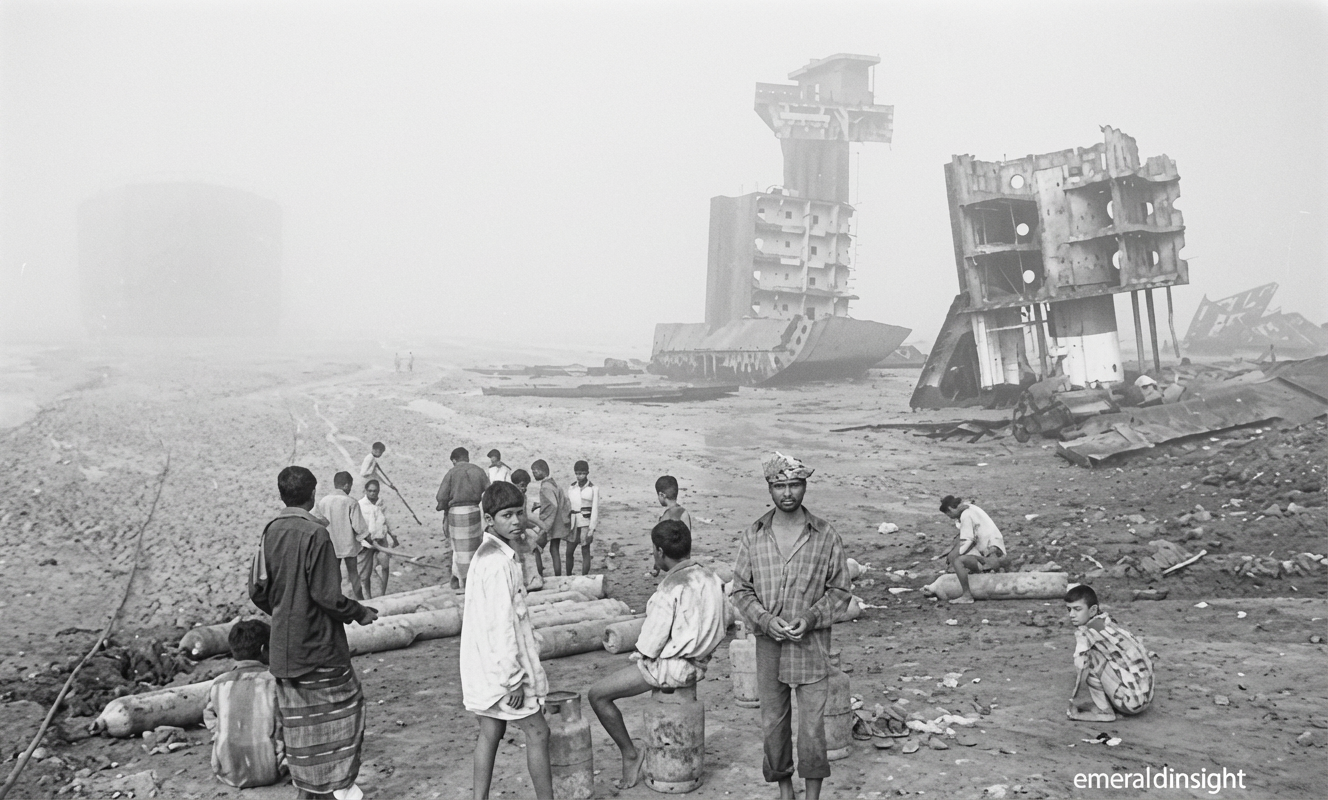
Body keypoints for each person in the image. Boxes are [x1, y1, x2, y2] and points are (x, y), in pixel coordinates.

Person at [249, 466, 378, 800]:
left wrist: (285, 613)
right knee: (347, 709)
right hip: (320, 647)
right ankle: (335, 784)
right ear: (311, 495)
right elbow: (328, 596)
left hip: (284, 650)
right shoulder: (315, 534)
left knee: (299, 724)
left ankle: (308, 789)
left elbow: (257, 591)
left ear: (282, 494)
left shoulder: (270, 532)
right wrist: (359, 612)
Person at [731, 452, 851, 800]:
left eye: (795, 485)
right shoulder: (754, 535)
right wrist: (766, 621)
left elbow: (841, 589)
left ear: (805, 486)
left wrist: (810, 618)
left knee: (813, 727)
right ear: (769, 487)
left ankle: (811, 796)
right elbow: (740, 589)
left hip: (810, 647)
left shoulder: (825, 535)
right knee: (774, 723)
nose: (787, 493)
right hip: (769, 646)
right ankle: (786, 791)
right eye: (779, 485)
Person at [588, 519, 725, 789]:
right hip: (700, 663)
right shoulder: (711, 578)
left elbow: (649, 647)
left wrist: (639, 654)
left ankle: (630, 753)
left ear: (659, 552)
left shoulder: (669, 588)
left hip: (670, 669)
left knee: (598, 695)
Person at [461, 481, 554, 800]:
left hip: (484, 664)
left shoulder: (492, 553)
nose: (516, 521)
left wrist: (529, 535)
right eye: (506, 516)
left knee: (490, 731)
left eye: (519, 513)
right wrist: (513, 679)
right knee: (539, 732)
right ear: (489, 520)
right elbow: (500, 626)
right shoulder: (498, 563)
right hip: (502, 670)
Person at [204, 620, 285, 789]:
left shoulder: (218, 684)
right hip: (271, 770)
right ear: (264, 650)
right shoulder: (275, 682)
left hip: (226, 772)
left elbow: (210, 718)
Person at [1065, 584, 1154, 722]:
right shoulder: (1107, 622)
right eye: (1069, 609)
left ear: (1093, 609)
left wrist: (1074, 702)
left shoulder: (1087, 633)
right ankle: (1117, 698)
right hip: (1146, 697)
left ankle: (1104, 712)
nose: (1071, 615)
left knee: (1089, 659)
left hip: (1130, 703)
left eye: (1077, 609)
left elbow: (1082, 667)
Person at [436, 447, 491, 589]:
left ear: (454, 460)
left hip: (456, 514)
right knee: (473, 547)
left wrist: (443, 506)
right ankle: (472, 577)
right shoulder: (478, 470)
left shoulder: (452, 472)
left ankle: (463, 580)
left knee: (459, 550)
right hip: (474, 511)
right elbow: (489, 490)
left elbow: (441, 496)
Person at [939, 495, 1008, 605]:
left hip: (991, 555)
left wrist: (954, 555)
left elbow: (967, 540)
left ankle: (967, 595)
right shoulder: (970, 508)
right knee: (964, 554)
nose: (950, 517)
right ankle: (986, 571)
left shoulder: (966, 516)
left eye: (949, 514)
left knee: (958, 561)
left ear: (950, 509)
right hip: (997, 550)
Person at [314, 472, 369, 601]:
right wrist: (369, 538)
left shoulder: (323, 501)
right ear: (346, 485)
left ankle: (335, 599)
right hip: (348, 545)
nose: (350, 489)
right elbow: (359, 527)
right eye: (350, 486)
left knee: (334, 575)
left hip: (331, 546)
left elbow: (318, 522)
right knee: (353, 573)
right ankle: (360, 600)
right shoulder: (351, 502)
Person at [531, 459, 572, 577]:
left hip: (551, 523)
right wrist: (540, 504)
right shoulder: (554, 483)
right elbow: (559, 501)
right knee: (554, 550)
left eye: (535, 472)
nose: (534, 474)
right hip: (559, 522)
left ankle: (539, 574)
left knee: (536, 548)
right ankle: (558, 576)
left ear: (542, 471)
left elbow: (553, 505)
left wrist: (545, 524)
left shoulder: (545, 487)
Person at [358, 479, 397, 597]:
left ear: (378, 491)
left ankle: (382, 593)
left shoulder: (382, 503)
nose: (372, 493)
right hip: (366, 543)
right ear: (365, 491)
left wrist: (393, 536)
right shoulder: (360, 505)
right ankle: (368, 596)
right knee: (365, 573)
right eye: (370, 491)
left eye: (375, 491)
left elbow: (387, 520)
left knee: (385, 566)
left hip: (381, 540)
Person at [511, 468, 544, 589]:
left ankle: (536, 577)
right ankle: (523, 581)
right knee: (519, 555)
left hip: (522, 529)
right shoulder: (511, 498)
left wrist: (537, 525)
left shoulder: (523, 497)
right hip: (514, 531)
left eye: (526, 486)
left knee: (534, 548)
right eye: (522, 485)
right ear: (514, 484)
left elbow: (525, 515)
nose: (524, 488)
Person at [565, 460, 599, 576]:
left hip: (585, 522)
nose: (580, 476)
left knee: (585, 551)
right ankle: (569, 574)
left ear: (587, 473)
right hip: (573, 522)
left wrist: (592, 528)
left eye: (582, 473)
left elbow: (595, 509)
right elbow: (567, 505)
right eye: (577, 473)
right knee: (569, 551)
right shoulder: (571, 488)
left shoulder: (593, 488)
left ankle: (585, 575)